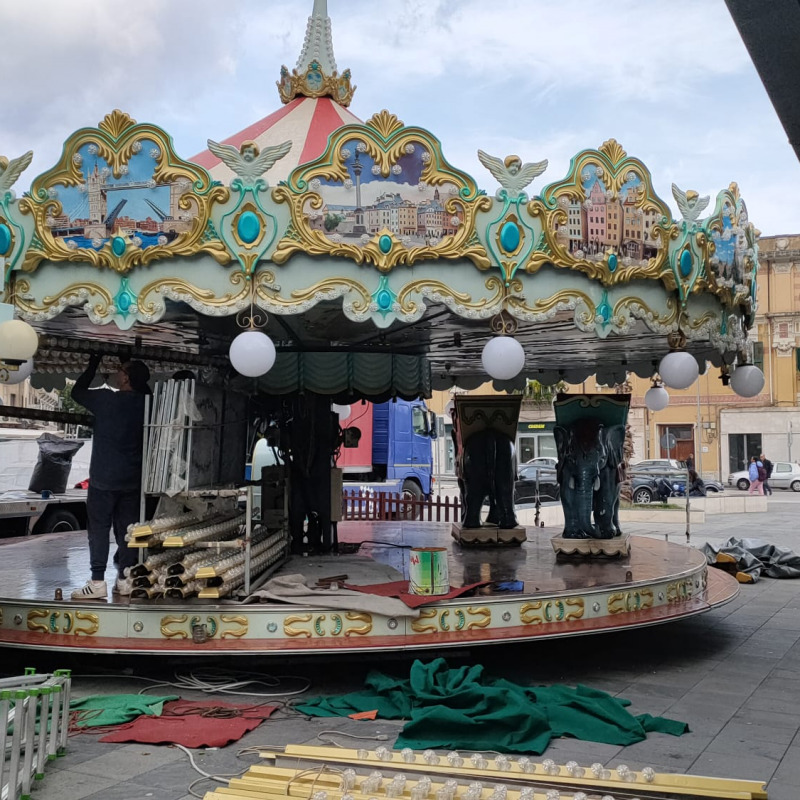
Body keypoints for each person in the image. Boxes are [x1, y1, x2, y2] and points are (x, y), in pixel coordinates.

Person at [70, 354, 151, 600]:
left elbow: (77, 391)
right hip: (133, 479)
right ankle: (125, 579)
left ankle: (96, 582)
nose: (117, 373)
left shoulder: (105, 400)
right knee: (127, 530)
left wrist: (93, 363)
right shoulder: (147, 403)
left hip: (104, 479)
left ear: (125, 378)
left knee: (99, 529)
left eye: (121, 371)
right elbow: (143, 389)